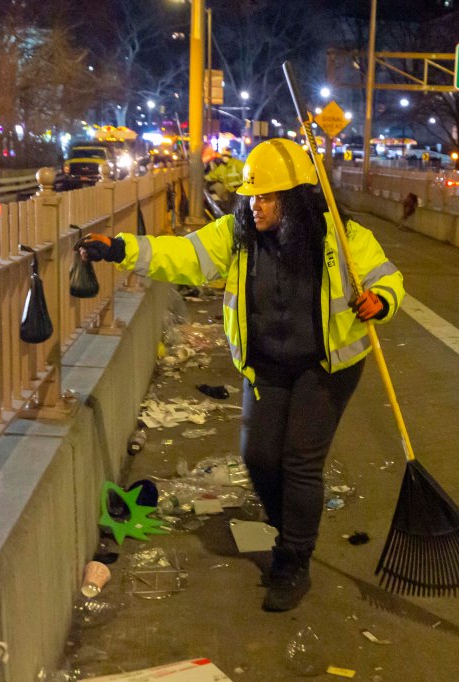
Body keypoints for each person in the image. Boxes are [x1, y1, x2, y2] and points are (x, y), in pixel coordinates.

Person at [81, 138, 405, 612]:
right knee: (257, 456)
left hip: (327, 367)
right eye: (252, 195)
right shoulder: (238, 236)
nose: (257, 205)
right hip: (267, 367)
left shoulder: (341, 237)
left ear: (293, 199)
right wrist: (120, 248)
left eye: (269, 196)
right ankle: (290, 521)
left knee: (299, 462)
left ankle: (294, 561)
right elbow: (183, 254)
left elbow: (388, 278)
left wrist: (381, 300)